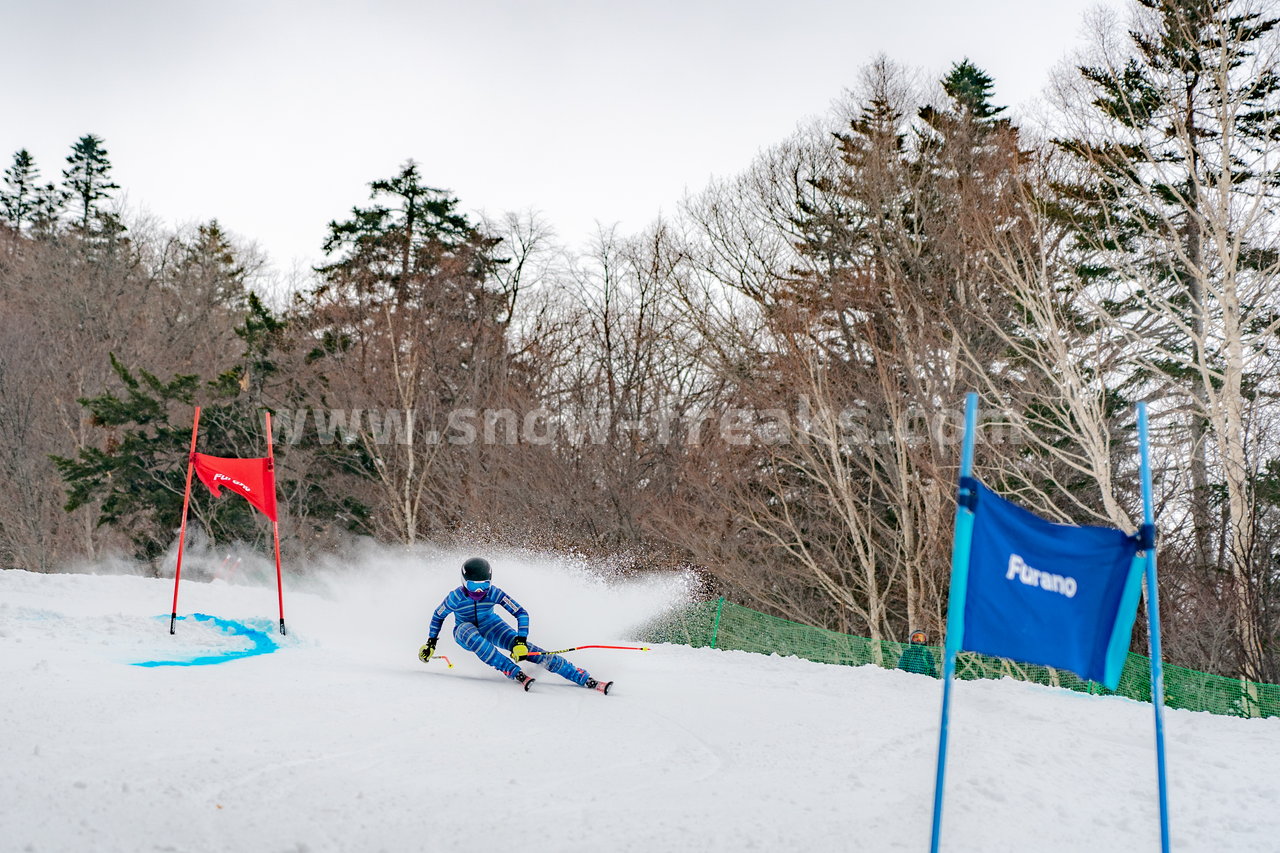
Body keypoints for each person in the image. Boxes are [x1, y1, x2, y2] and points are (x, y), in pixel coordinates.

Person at [419, 557, 612, 694]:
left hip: (491, 625)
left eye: (484, 585)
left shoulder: (494, 594)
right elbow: (438, 617)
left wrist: (520, 641)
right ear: (464, 582)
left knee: (530, 650)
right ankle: (511, 670)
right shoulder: (455, 598)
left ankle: (582, 677)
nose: (479, 591)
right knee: (470, 633)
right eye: (473, 586)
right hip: (464, 631)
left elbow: (521, 613)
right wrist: (430, 644)